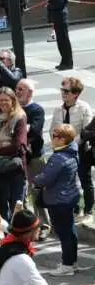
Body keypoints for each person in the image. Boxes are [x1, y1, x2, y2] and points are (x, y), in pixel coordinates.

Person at [34, 124, 80, 276]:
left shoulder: (58, 158)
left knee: (64, 233)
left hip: (58, 200)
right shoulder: (72, 152)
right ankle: (72, 262)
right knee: (70, 232)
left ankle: (66, 266)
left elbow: (45, 178)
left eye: (54, 136)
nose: (51, 139)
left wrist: (35, 179)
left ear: (62, 140)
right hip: (69, 197)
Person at [49, 77, 93, 219]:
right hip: (62, 151)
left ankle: (88, 209)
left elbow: (86, 130)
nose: (63, 93)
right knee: (69, 181)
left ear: (76, 93)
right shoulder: (58, 110)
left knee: (84, 180)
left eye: (66, 91)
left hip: (79, 149)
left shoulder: (83, 108)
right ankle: (75, 209)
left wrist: (71, 145)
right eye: (62, 90)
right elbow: (52, 130)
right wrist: (57, 143)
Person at [0, 87, 28, 221]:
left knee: (16, 206)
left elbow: (17, 146)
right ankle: (5, 235)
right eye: (0, 101)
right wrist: (0, 145)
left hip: (14, 170)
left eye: (6, 100)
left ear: (13, 101)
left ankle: (17, 236)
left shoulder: (19, 118)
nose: (3, 103)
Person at [16, 79, 51, 239]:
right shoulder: (14, 108)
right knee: (20, 193)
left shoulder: (36, 109)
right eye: (17, 88)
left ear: (30, 93)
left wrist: (21, 131)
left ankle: (44, 224)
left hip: (33, 157)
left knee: (37, 192)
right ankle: (25, 224)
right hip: (17, 157)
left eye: (21, 89)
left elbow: (35, 131)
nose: (17, 91)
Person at [47, 0, 73, 70]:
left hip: (61, 18)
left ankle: (68, 63)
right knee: (60, 42)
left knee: (64, 42)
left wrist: (49, 5)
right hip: (57, 18)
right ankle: (64, 61)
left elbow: (58, 4)